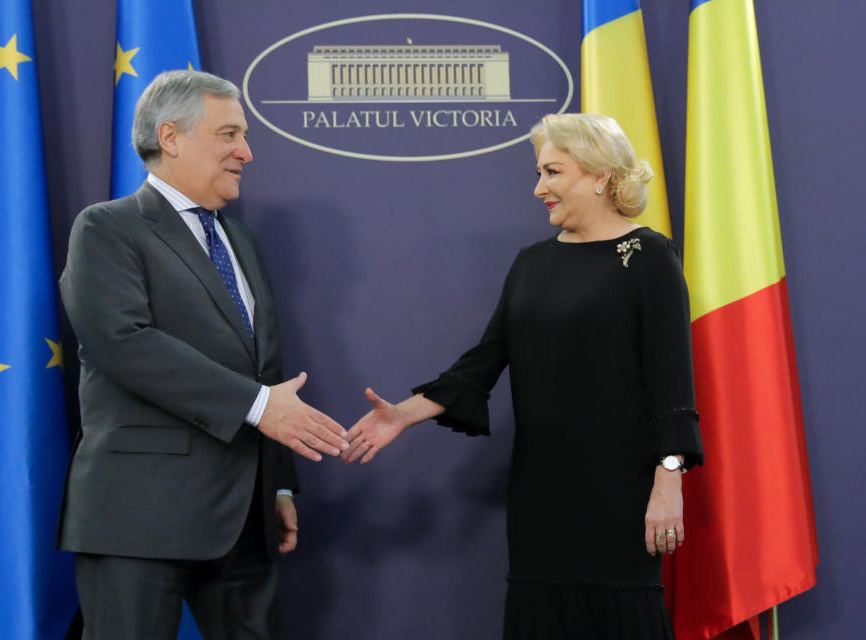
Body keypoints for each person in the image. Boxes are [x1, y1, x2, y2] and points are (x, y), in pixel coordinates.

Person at [342, 113, 704, 639]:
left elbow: (673, 382)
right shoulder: (532, 263)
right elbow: (484, 362)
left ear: (600, 175)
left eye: (553, 172)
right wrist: (403, 414)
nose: (539, 189)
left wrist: (668, 481)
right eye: (538, 173)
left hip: (620, 491)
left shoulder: (648, 257)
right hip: (540, 493)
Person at [57, 69, 350, 639]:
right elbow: (125, 342)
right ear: (170, 137)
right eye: (229, 134)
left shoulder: (241, 241)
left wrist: (278, 484)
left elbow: (265, 371)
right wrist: (259, 406)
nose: (247, 150)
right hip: (138, 519)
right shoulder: (107, 228)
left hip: (244, 519)